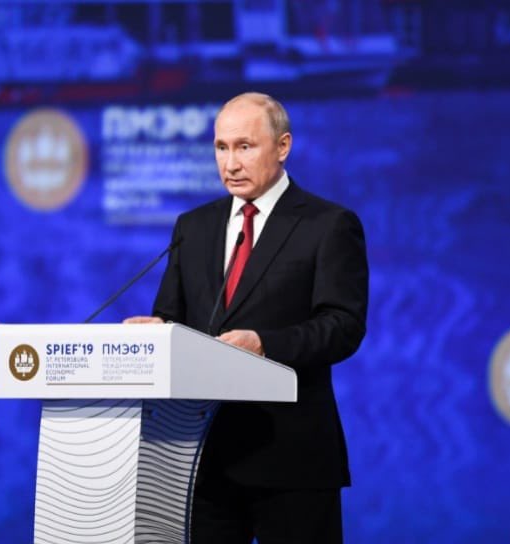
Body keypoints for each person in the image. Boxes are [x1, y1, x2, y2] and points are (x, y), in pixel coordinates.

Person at [125, 92, 368, 543]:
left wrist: (264, 345)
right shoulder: (193, 227)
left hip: (291, 458)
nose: (230, 163)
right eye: (221, 147)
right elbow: (171, 316)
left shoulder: (328, 224)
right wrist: (158, 333)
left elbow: (343, 326)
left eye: (245, 147)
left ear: (283, 146)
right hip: (202, 460)